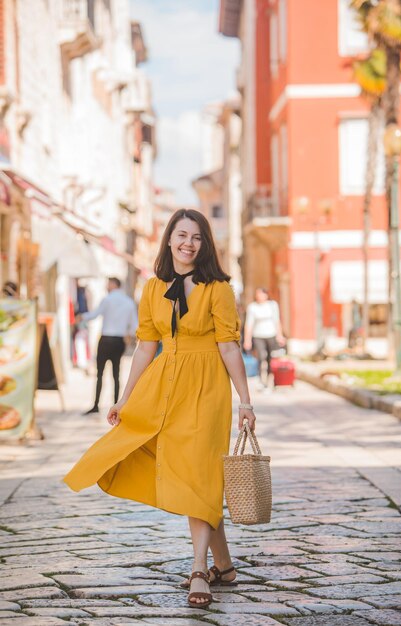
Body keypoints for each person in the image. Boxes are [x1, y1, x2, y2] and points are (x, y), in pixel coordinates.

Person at [64, 209, 256, 609]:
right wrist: (124, 397)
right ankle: (225, 564)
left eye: (197, 237)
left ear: (205, 244)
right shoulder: (152, 288)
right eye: (181, 235)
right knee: (185, 469)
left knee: (199, 471)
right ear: (169, 239)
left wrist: (246, 400)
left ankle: (200, 568)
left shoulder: (218, 288)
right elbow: (146, 346)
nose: (188, 243)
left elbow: (228, 346)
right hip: (163, 384)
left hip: (206, 387)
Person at [79, 277, 137, 415]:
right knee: (116, 374)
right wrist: (128, 334)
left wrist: (82, 316)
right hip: (119, 341)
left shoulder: (107, 299)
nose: (106, 286)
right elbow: (135, 325)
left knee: (100, 374)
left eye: (108, 284)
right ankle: (116, 404)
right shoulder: (129, 302)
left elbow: (95, 314)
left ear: (113, 284)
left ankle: (96, 405)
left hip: (106, 340)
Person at [243, 287, 285, 389]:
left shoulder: (272, 305)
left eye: (261, 294)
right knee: (261, 356)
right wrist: (247, 340)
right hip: (258, 335)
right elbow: (249, 324)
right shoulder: (252, 307)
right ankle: (261, 379)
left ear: (266, 295)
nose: (259, 296)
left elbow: (277, 321)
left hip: (271, 334)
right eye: (258, 294)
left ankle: (270, 378)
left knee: (271, 358)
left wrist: (280, 335)